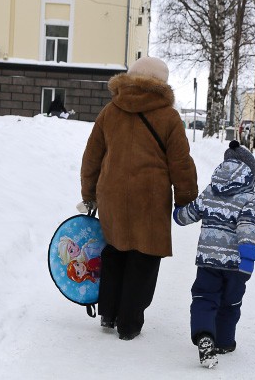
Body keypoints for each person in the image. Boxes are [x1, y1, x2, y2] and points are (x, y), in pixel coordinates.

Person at [79, 56, 198, 341]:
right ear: (161, 83)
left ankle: (109, 313)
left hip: (112, 195)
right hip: (151, 198)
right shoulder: (168, 116)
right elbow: (181, 162)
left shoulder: (111, 111)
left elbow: (92, 156)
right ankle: (129, 324)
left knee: (116, 250)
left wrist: (89, 193)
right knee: (143, 257)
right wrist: (186, 197)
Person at [173, 140, 255, 368]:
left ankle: (204, 336)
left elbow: (189, 214)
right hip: (235, 263)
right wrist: (248, 258)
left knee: (204, 297)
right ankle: (224, 341)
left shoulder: (211, 190)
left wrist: (177, 214)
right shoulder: (250, 197)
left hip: (208, 260)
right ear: (249, 173)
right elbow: (246, 226)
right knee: (231, 303)